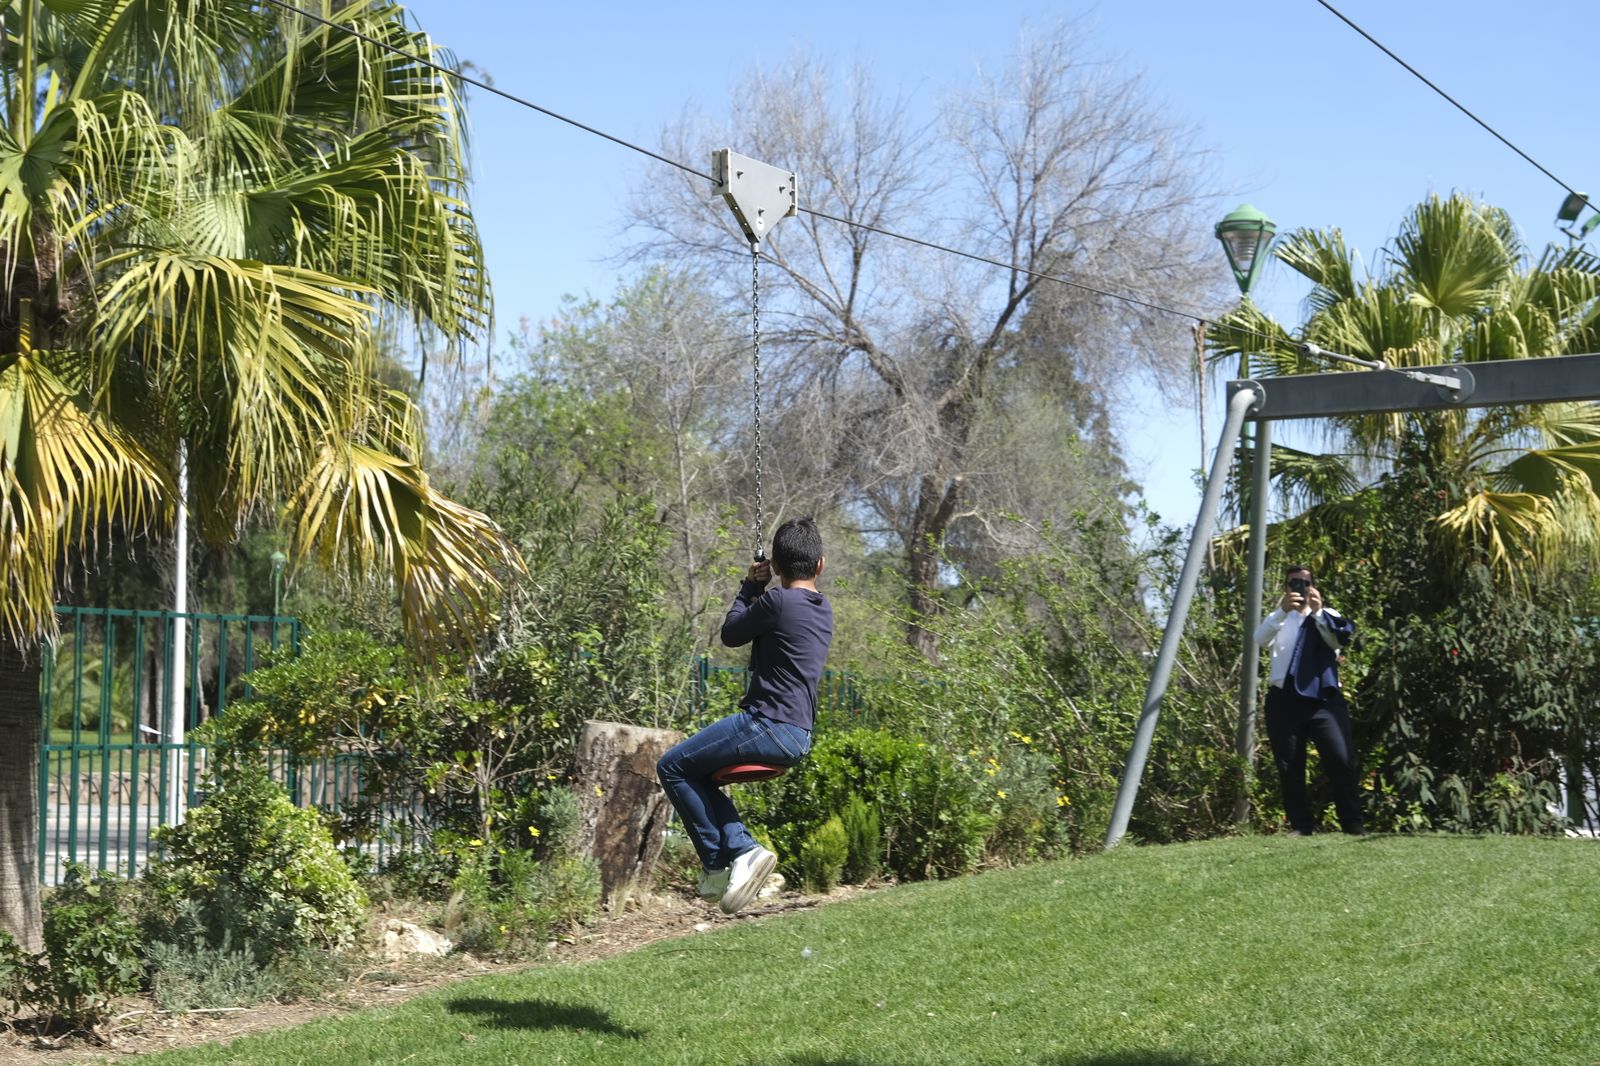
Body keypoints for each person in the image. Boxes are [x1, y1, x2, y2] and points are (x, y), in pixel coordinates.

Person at [656, 516, 834, 914]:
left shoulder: (777, 601)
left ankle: (728, 859)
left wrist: (752, 585)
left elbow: (732, 633)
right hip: (798, 734)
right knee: (697, 775)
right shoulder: (823, 610)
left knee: (671, 767)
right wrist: (764, 586)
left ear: (775, 563)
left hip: (766, 724)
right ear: (820, 565)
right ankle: (732, 854)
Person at [1253, 564, 1365, 836]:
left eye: (1305, 582)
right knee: (1290, 764)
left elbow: (1336, 641)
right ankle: (1301, 826)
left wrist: (1316, 611)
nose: (1300, 588)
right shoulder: (1278, 617)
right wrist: (1282, 610)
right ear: (1286, 587)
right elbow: (1259, 639)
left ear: (1314, 586)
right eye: (1294, 583)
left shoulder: (1328, 615)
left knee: (1340, 759)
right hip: (1284, 700)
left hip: (1324, 700)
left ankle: (1353, 825)